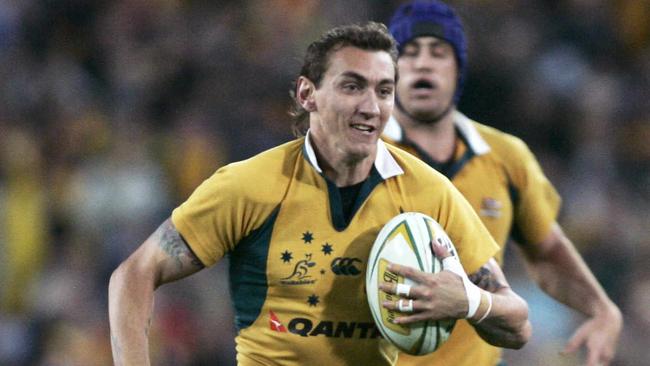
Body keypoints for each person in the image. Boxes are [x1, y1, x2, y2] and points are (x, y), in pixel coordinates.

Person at [109, 21, 531, 366]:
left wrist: (469, 301)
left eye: (384, 90)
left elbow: (517, 324)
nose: (371, 105)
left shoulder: (429, 193)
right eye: (353, 86)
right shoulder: (250, 186)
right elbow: (133, 275)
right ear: (307, 94)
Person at [383, 2, 623, 366]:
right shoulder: (366, 153)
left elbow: (545, 252)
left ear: (459, 67)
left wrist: (602, 308)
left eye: (438, 53)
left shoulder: (506, 155)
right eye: (410, 53)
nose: (424, 64)